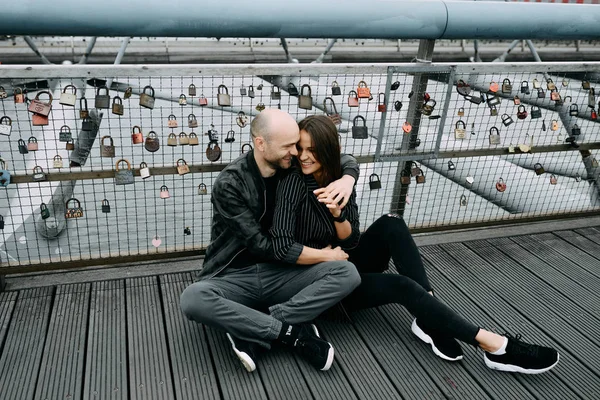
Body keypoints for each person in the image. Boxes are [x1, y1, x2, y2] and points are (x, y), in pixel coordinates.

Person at [269, 115, 559, 375]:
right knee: (402, 287)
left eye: (312, 150)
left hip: (343, 258)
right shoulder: (293, 183)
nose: (303, 156)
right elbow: (284, 249)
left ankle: (428, 319)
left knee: (393, 223)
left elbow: (352, 240)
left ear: (328, 150)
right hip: (322, 282)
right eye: (300, 149)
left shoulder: (338, 179)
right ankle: (495, 346)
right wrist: (327, 257)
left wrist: (337, 212)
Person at [180, 109, 362, 373]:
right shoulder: (230, 183)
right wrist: (326, 255)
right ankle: (293, 334)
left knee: (347, 273)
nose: (297, 153)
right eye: (289, 146)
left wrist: (348, 177)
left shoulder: (288, 165)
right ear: (260, 143)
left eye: (297, 146)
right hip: (235, 275)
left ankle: (253, 328)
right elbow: (263, 246)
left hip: (283, 272)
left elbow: (335, 155)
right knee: (193, 299)